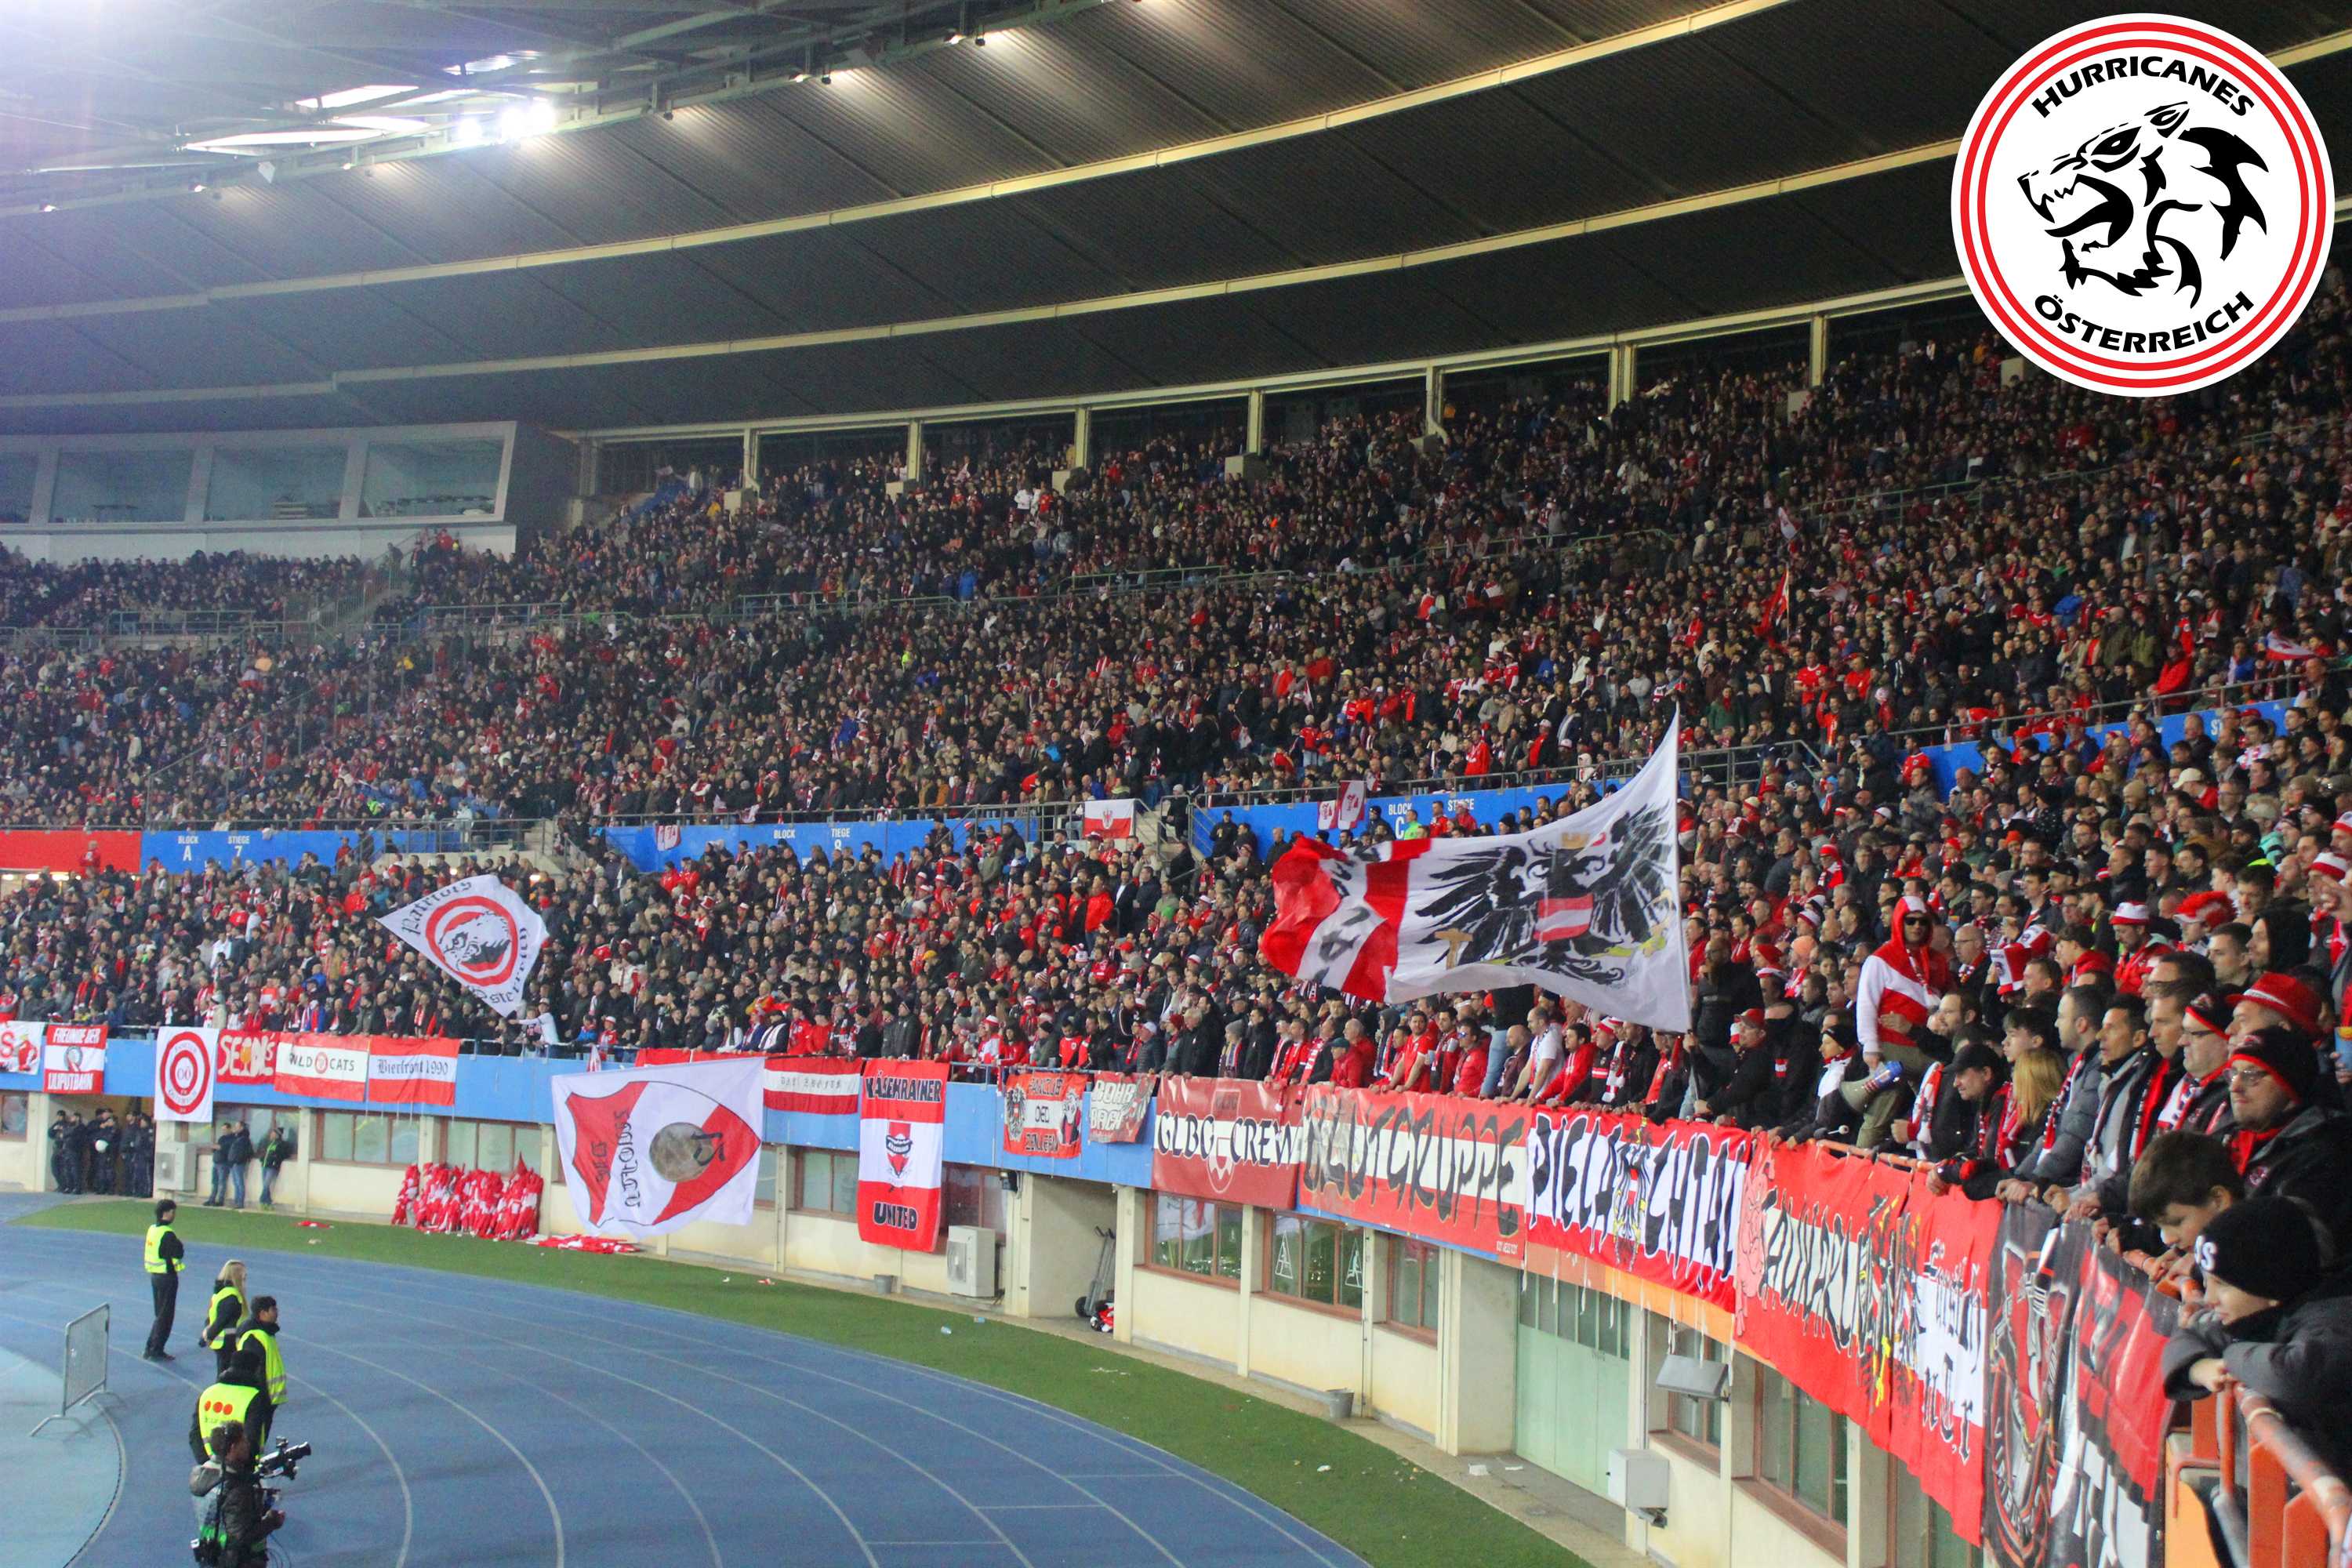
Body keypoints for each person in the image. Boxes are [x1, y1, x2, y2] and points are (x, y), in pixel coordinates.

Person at [2161, 1197, 2352, 1476]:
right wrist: (2200, 1367)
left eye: (2222, 1285)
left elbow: (2291, 1373)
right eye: (2207, 1282)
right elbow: (2187, 1338)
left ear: (2273, 1286)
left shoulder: (2335, 1320)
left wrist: (2230, 1356)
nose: (2210, 1298)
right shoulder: (2256, 1314)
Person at [193, 1417, 285, 1568]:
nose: (247, 1444)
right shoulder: (237, 1487)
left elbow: (224, 1515)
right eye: (243, 1441)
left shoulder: (202, 1476)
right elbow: (241, 1537)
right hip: (239, 1562)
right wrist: (272, 1521)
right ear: (233, 1447)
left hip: (212, 1558)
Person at [188, 1344, 274, 1464]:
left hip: (210, 1463)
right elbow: (252, 1439)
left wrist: (205, 1462)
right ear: (254, 1370)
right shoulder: (254, 1397)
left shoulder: (207, 1394)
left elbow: (195, 1434)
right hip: (240, 1467)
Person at [235, 1297, 288, 1426]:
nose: (277, 1312)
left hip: (268, 1398)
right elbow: (254, 1370)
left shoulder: (267, 1333)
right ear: (263, 1313)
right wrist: (260, 1398)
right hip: (261, 1398)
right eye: (273, 1309)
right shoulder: (254, 1337)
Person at [143, 1198, 184, 1361]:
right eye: (173, 1212)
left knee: (159, 1314)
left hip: (155, 1276)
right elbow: (178, 1251)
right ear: (166, 1213)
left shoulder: (152, 1229)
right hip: (167, 1277)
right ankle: (156, 1349)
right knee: (165, 1316)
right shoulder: (167, 1233)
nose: (174, 1215)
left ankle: (150, 1346)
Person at [201, 1261, 249, 1378]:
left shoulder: (220, 1293)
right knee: (227, 1374)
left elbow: (211, 1315)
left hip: (222, 1342)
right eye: (243, 1277)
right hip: (228, 1342)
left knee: (223, 1372)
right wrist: (208, 1337)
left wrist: (207, 1332)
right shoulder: (232, 1297)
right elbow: (221, 1320)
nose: (245, 1280)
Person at [257, 1124, 292, 1210]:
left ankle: (262, 1200)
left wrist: (275, 1160)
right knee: (265, 1185)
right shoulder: (269, 1143)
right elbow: (265, 1153)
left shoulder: (281, 1144)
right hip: (265, 1165)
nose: (271, 1135)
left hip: (272, 1167)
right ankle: (268, 1203)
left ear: (277, 1135)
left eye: (273, 1133)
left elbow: (284, 1154)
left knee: (266, 1184)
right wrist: (262, 1159)